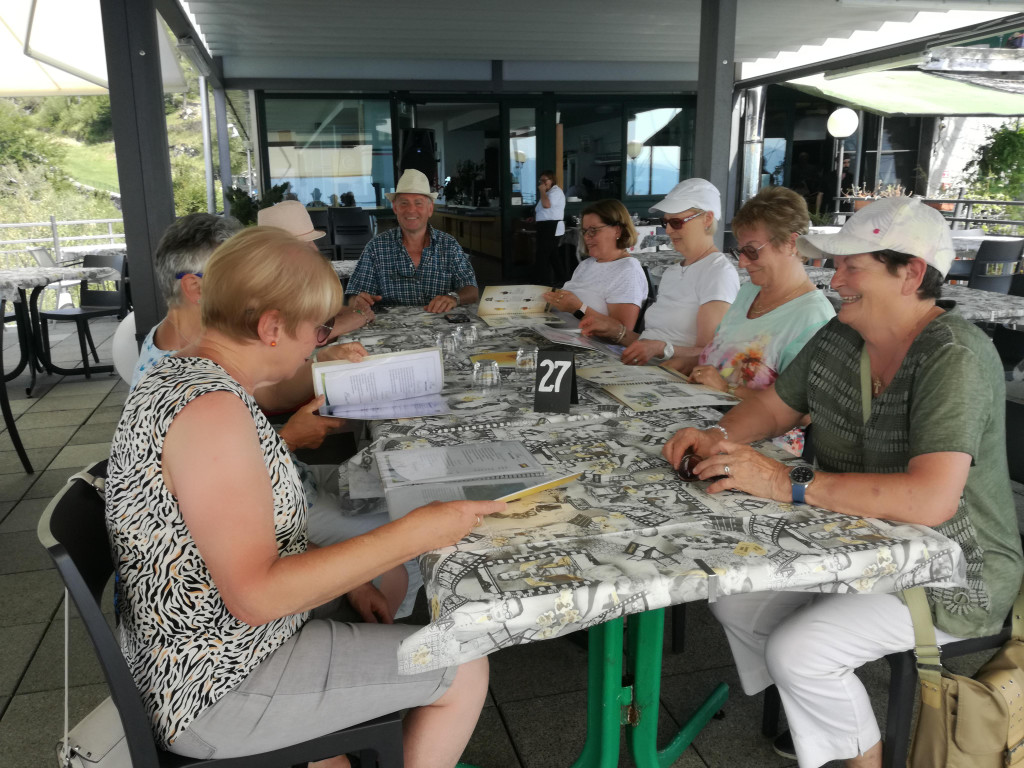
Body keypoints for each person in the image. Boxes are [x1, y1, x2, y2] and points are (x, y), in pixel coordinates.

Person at [107, 226, 502, 765]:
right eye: (316, 330)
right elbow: (254, 597)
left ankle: (327, 748)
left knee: (385, 578)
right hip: (211, 685)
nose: (319, 344)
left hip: (202, 644)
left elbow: (247, 541)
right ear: (271, 327)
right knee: (464, 666)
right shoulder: (211, 412)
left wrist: (358, 577)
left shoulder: (187, 373)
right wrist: (416, 533)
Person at [662, 197, 1024, 768]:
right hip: (855, 540)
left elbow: (930, 500)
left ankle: (842, 731)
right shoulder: (841, 334)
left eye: (853, 267)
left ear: (911, 273)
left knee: (800, 650)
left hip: (954, 569)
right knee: (736, 601)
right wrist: (717, 436)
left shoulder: (954, 355)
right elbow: (775, 407)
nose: (835, 280)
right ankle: (818, 709)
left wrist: (787, 483)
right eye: (837, 266)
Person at [135, 210, 371, 453]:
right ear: (196, 288)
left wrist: (320, 361)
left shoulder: (209, 343)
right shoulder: (188, 388)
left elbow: (270, 394)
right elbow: (218, 469)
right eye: (242, 277)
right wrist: (288, 439)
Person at [682, 186, 835, 455]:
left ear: (791, 243)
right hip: (707, 421)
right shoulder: (749, 292)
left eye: (752, 251)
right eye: (739, 251)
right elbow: (722, 358)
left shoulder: (813, 318)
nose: (742, 263)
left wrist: (728, 388)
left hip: (761, 449)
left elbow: (805, 414)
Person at [579, 178, 739, 365]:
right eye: (665, 222)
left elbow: (711, 354)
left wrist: (661, 349)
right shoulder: (672, 271)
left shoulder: (717, 272)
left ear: (707, 219)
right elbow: (651, 342)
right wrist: (615, 331)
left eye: (676, 222)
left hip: (672, 375)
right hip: (649, 368)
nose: (668, 230)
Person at [346, 169, 479, 313]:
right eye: (404, 203)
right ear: (395, 208)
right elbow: (354, 294)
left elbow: (471, 290)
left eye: (418, 203)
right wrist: (357, 301)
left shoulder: (449, 245)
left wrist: (454, 298)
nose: (411, 210)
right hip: (391, 325)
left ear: (430, 209)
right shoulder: (376, 247)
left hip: (441, 324)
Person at [542, 199, 648, 333]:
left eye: (593, 230)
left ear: (617, 231)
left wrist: (578, 308)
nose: (586, 237)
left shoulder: (628, 271)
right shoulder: (587, 264)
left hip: (584, 343)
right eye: (584, 231)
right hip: (555, 333)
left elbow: (622, 333)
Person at [534, 170, 567, 284]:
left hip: (551, 225)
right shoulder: (548, 193)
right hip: (545, 225)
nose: (542, 183)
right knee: (553, 255)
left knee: (543, 254)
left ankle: (543, 281)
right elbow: (542, 209)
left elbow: (546, 205)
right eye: (541, 180)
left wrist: (542, 191)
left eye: (545, 180)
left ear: (552, 180)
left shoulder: (555, 192)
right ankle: (562, 279)